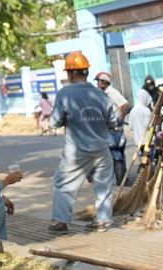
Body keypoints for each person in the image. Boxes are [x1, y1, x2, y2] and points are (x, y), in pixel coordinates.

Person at [48, 52, 119, 233]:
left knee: (64, 185)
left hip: (77, 151)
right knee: (104, 186)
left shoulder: (65, 94)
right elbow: (112, 122)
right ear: (86, 72)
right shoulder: (102, 95)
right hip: (102, 149)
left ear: (70, 74)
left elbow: (54, 123)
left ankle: (61, 223)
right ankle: (102, 222)